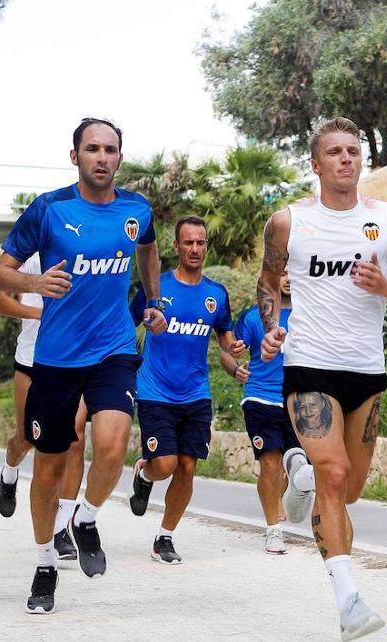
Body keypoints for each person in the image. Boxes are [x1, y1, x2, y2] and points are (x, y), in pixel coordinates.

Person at [258, 117, 387, 641]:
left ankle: (299, 477)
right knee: (334, 475)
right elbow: (268, 281)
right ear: (316, 163)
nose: (347, 159)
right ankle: (349, 599)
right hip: (308, 364)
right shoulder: (288, 222)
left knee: (348, 489)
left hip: (366, 370)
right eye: (335, 152)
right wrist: (270, 328)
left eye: (353, 151)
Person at [0, 118, 163, 614]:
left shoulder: (137, 209)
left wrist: (154, 300)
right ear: (76, 157)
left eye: (111, 150)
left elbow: (149, 250)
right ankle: (45, 563)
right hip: (56, 357)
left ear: (119, 158)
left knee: (111, 448)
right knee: (49, 467)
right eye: (93, 149)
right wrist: (36, 283)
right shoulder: (49, 208)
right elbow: (2, 272)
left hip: (113, 349)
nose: (102, 158)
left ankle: (86, 519)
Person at [127, 216, 244, 565]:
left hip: (196, 393)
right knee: (165, 465)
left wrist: (234, 348)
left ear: (206, 246)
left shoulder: (216, 294)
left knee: (188, 468)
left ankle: (165, 537)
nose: (194, 249)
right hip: (155, 391)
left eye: (200, 242)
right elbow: (123, 323)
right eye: (188, 243)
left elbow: (225, 336)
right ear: (176, 247)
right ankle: (145, 474)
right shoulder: (155, 288)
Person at [0, 253, 84, 562]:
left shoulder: (92, 249)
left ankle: (61, 528)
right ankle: (9, 473)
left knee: (74, 442)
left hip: (75, 361)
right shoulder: (34, 254)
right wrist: (38, 314)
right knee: (26, 440)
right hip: (32, 359)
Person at [220, 270, 296, 554]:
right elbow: (228, 352)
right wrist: (235, 367)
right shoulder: (254, 317)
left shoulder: (310, 315)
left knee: (294, 465)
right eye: (283, 273)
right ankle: (273, 530)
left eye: (294, 272)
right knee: (270, 463)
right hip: (260, 398)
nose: (288, 278)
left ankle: (278, 503)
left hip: (298, 400)